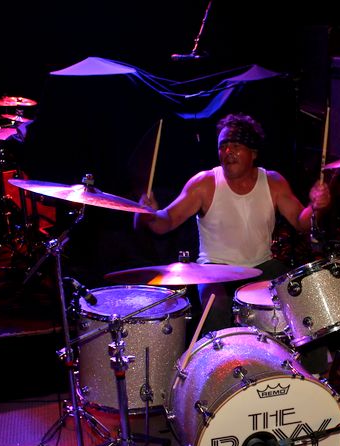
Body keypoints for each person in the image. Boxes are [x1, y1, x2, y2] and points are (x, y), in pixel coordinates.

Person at [134, 113, 330, 337]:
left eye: (235, 145)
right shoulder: (204, 183)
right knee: (216, 309)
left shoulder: (273, 182)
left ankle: (311, 361)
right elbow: (165, 222)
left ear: (253, 152)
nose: (228, 151)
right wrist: (149, 213)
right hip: (214, 271)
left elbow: (301, 222)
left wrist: (316, 206)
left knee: (298, 300)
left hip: (261, 267)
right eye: (223, 146)